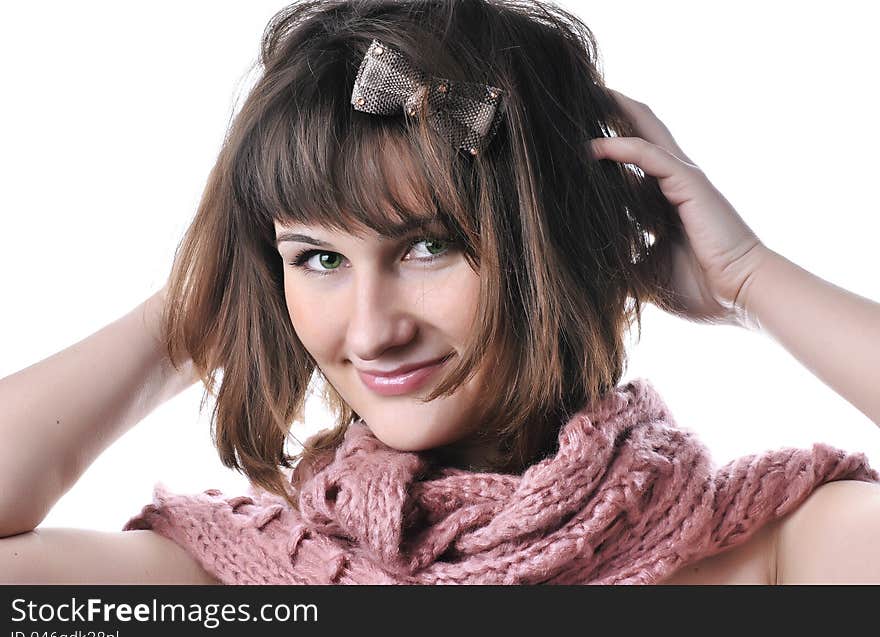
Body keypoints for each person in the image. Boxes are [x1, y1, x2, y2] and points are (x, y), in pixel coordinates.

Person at [1, 0, 879, 585]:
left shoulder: (765, 552)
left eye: (429, 246)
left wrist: (751, 279)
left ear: (563, 250)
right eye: (318, 259)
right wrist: (205, 305)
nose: (372, 331)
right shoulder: (237, 576)